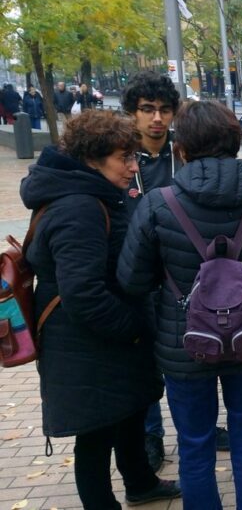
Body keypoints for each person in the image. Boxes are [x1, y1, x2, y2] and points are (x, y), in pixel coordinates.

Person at [118, 101, 242, 510]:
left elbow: (132, 279)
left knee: (195, 446)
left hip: (184, 344)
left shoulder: (158, 203)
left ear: (181, 147)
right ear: (236, 142)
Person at [19, 110, 181, 509]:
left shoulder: (90, 194)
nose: (132, 167)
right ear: (92, 158)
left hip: (105, 342)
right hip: (89, 344)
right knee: (95, 436)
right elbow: (84, 293)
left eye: (134, 157)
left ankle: (140, 481)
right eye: (123, 158)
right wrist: (135, 329)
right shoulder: (79, 208)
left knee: (128, 413)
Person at [119, 71, 231, 472]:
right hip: (139, 276)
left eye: (164, 110)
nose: (156, 119)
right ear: (132, 113)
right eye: (147, 110)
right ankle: (152, 435)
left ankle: (205, 424)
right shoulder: (123, 159)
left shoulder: (183, 154)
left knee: (198, 353)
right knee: (148, 363)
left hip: (185, 278)